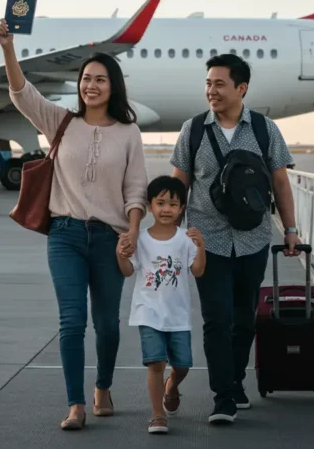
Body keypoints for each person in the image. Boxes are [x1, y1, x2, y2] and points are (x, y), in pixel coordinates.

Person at [0, 19, 148, 431]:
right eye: (85, 79)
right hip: (64, 235)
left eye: (99, 79)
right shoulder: (61, 122)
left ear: (113, 85)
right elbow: (21, 94)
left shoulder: (128, 132)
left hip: (109, 239)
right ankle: (75, 404)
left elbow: (136, 190)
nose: (90, 85)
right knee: (71, 321)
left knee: (108, 325)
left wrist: (132, 231)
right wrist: (9, 49)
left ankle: (103, 386)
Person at [170, 53, 300, 425]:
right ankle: (223, 397)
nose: (211, 90)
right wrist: (169, 235)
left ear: (241, 88)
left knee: (244, 319)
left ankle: (236, 380)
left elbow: (280, 183)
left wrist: (290, 230)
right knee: (216, 319)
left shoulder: (264, 129)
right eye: (208, 83)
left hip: (253, 238)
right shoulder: (192, 129)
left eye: (219, 84)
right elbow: (180, 183)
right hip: (205, 241)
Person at [116, 176, 206, 435]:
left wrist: (201, 247)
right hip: (149, 311)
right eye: (161, 203)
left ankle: (172, 385)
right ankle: (157, 415)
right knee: (155, 363)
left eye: (173, 204)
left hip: (177, 314)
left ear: (181, 209)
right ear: (150, 205)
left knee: (183, 365)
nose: (167, 209)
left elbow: (198, 271)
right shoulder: (141, 239)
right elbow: (127, 271)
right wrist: (119, 254)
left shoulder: (185, 239)